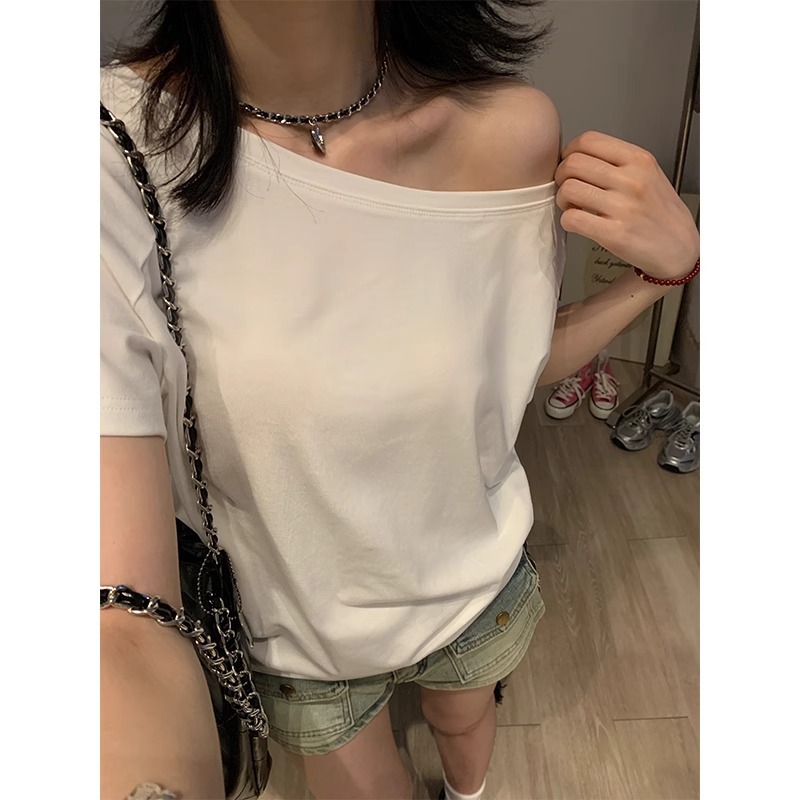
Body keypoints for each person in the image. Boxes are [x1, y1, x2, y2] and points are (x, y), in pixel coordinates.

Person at [100, 2, 700, 799]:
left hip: (471, 585)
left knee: (465, 729)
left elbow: (515, 361)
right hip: (299, 634)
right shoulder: (111, 154)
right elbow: (117, 623)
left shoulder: (509, 131)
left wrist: (661, 276)